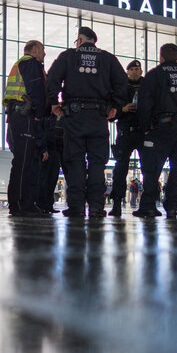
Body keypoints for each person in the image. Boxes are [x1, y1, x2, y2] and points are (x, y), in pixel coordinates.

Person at [46, 27, 128, 219]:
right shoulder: (108, 59)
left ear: (81, 39)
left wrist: (53, 102)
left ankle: (76, 207)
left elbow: (52, 79)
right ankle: (97, 207)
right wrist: (115, 107)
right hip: (99, 118)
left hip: (74, 117)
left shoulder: (68, 56)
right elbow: (122, 83)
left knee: (74, 161)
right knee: (98, 163)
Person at [133, 43, 177, 219]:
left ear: (161, 56)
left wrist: (146, 127)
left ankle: (148, 205)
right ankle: (172, 207)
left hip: (162, 126)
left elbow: (145, 103)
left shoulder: (154, 75)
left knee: (153, 167)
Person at [4, 40, 49, 217]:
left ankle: (25, 203)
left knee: (25, 162)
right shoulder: (31, 63)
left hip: (18, 115)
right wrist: (38, 113)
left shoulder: (21, 64)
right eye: (43, 50)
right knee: (23, 163)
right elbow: (36, 89)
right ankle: (20, 204)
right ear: (35, 50)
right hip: (25, 115)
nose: (44, 54)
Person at [108, 60, 145, 216]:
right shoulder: (120, 87)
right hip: (125, 131)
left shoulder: (147, 86)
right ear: (128, 71)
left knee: (148, 169)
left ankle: (147, 204)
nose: (135, 72)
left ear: (141, 71)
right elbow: (110, 113)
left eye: (137, 69)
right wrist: (122, 109)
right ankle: (117, 202)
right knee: (120, 168)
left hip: (143, 131)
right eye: (132, 69)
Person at [36, 114, 64, 213]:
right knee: (44, 179)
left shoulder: (56, 116)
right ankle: (42, 204)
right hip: (47, 150)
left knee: (52, 179)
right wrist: (43, 149)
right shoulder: (44, 115)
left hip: (55, 150)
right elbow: (40, 133)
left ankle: (48, 205)